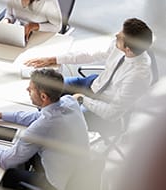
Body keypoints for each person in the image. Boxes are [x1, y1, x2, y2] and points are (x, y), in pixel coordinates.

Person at [0, 68, 89, 190]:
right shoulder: (69, 101)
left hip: (61, 184)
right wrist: (1, 115)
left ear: (43, 96)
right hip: (80, 167)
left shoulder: (42, 127)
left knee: (10, 175)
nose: (27, 90)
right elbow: (38, 116)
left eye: (31, 89)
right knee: (25, 156)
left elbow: (5, 161)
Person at [25, 18, 153, 134]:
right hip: (93, 84)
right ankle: (38, 122)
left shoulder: (138, 76)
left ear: (128, 49)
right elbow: (92, 54)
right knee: (44, 87)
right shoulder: (118, 45)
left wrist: (83, 99)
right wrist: (55, 59)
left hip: (103, 107)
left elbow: (112, 114)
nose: (116, 35)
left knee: (57, 120)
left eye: (120, 36)